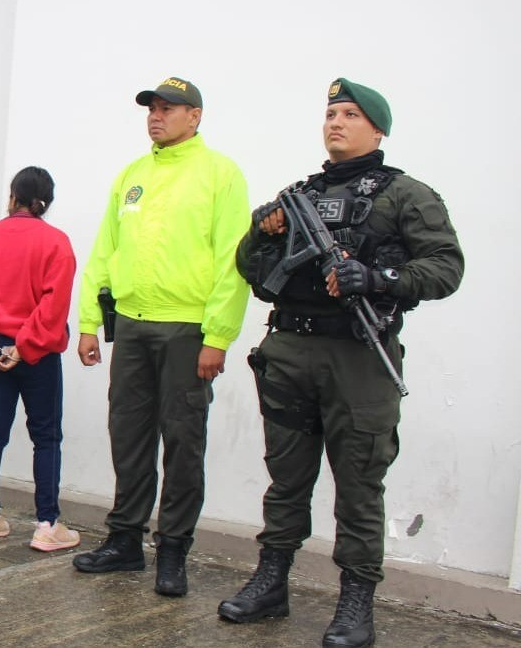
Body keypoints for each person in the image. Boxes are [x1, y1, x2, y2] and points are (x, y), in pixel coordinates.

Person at [218, 78, 464, 647]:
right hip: (290, 351)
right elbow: (251, 269)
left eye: (351, 115)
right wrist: (262, 230)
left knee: (358, 485)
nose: (336, 123)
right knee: (286, 479)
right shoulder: (296, 195)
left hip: (359, 356)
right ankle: (272, 582)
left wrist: (377, 278)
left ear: (377, 130)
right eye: (331, 113)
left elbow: (446, 268)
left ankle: (356, 603)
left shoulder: (407, 195)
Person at [73, 77, 250, 597]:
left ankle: (172, 551)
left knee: (183, 441)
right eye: (152, 107)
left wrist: (217, 336)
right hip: (130, 325)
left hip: (187, 331)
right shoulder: (133, 175)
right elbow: (105, 250)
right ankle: (124, 541)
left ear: (195, 117)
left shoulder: (220, 174)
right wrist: (88, 322)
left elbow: (233, 262)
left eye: (169, 108)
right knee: (128, 436)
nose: (157, 115)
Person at [0, 167, 80, 551]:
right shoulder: (57, 243)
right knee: (46, 436)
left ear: (13, 198)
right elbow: (53, 306)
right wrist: (23, 348)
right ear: (47, 202)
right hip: (35, 352)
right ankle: (47, 525)